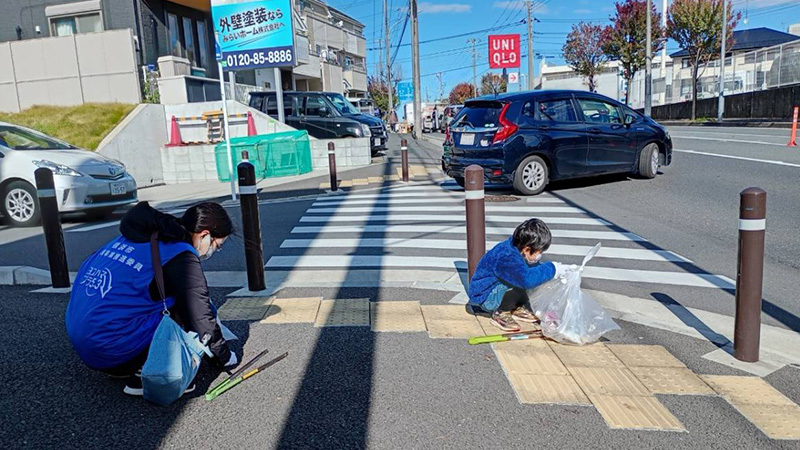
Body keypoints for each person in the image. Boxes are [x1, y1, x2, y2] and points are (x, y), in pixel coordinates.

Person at [66, 201, 238, 396]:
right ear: (205, 235)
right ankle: (152, 373)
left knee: (167, 297)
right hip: (113, 349)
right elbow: (199, 315)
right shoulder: (180, 255)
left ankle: (130, 362)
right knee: (185, 305)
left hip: (85, 343)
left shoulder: (135, 236)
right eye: (217, 245)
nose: (213, 251)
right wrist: (222, 357)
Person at [468, 218, 572, 332]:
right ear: (527, 249)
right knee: (523, 279)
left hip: (496, 289)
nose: (540, 255)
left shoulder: (519, 250)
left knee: (535, 276)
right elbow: (525, 279)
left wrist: (558, 273)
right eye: (539, 252)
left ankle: (516, 308)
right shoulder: (506, 256)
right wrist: (552, 269)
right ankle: (501, 312)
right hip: (486, 296)